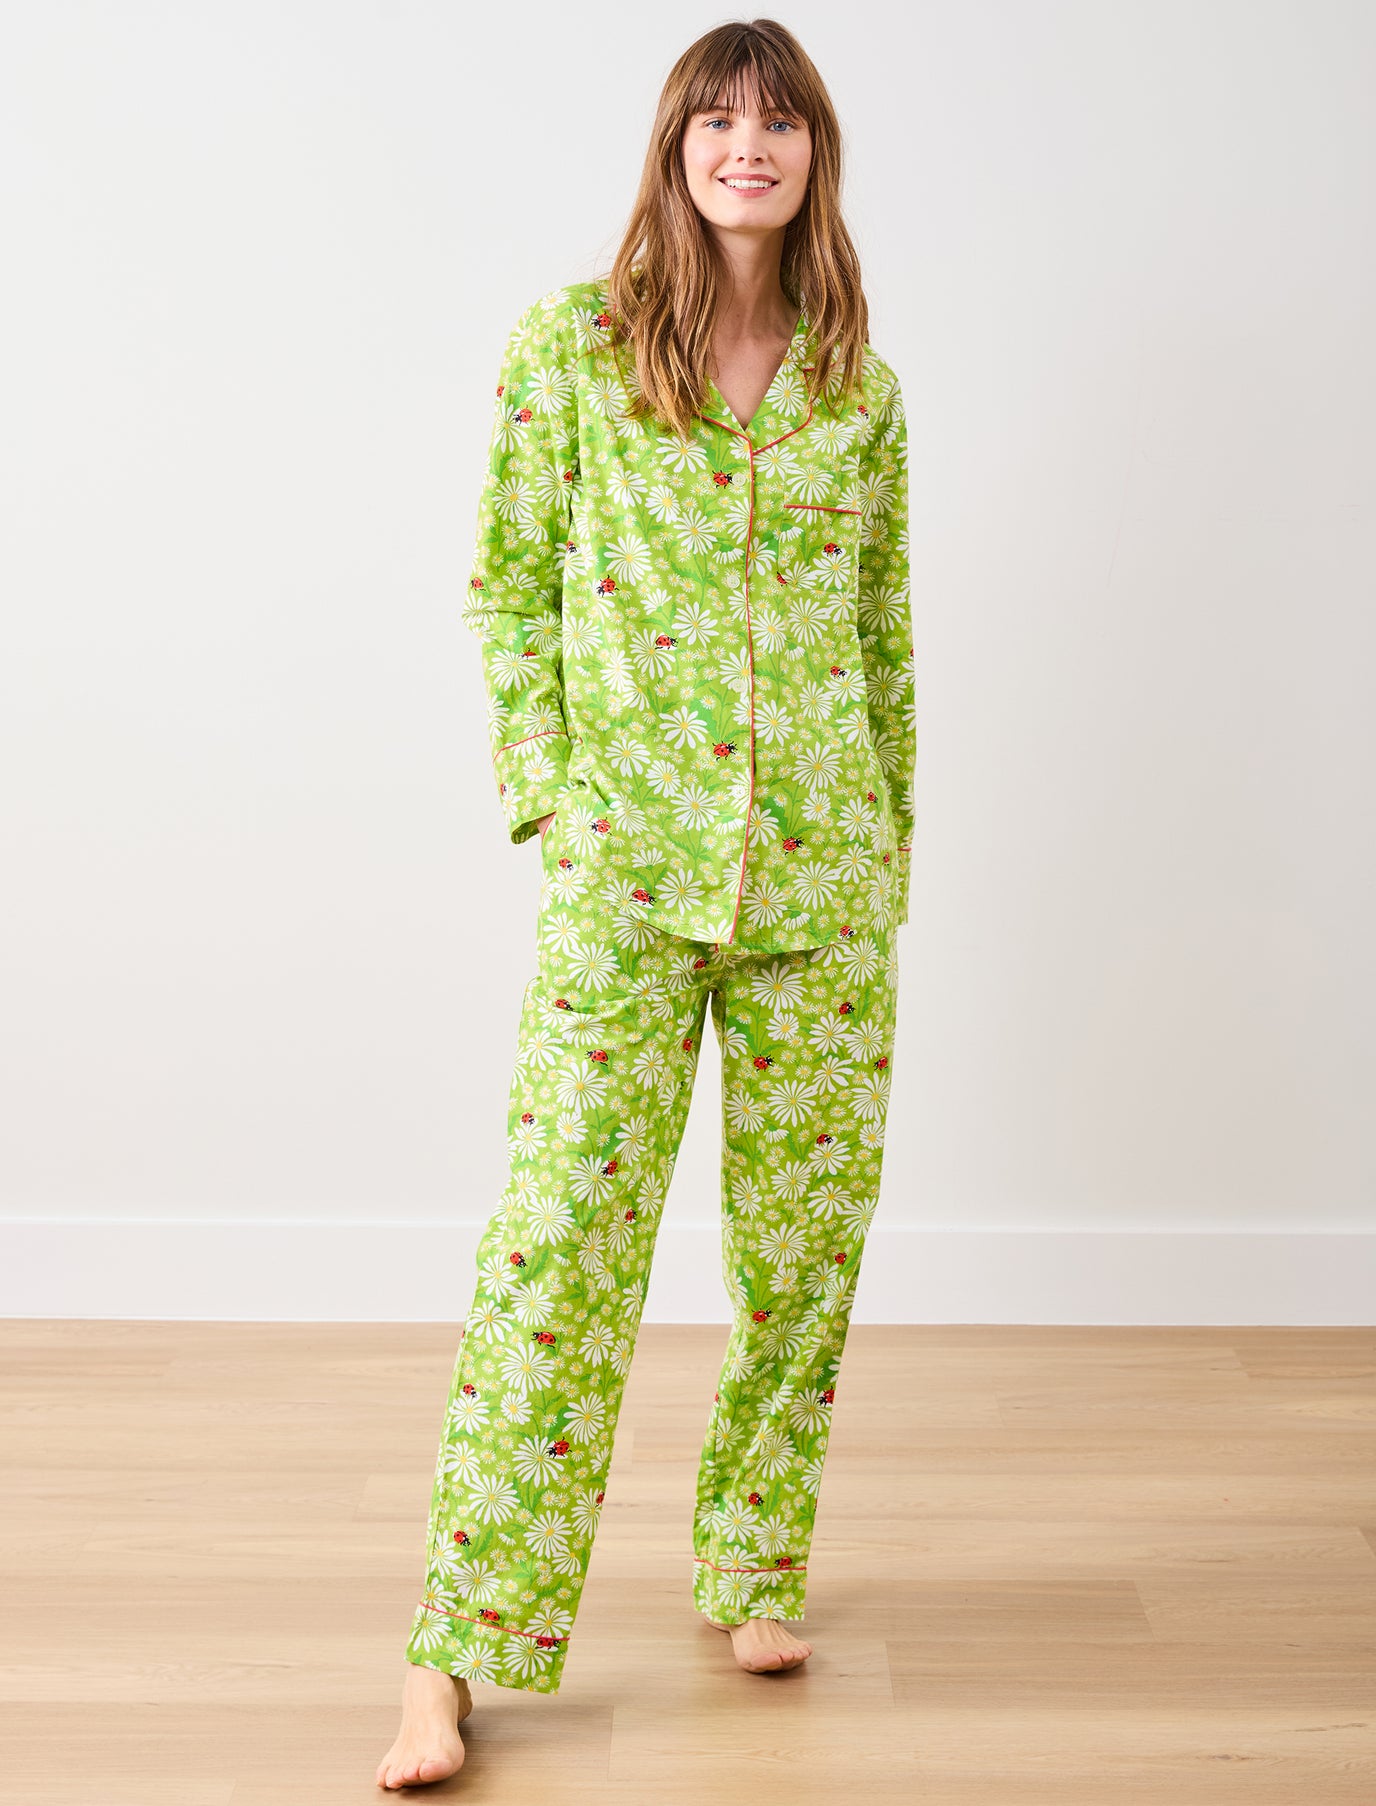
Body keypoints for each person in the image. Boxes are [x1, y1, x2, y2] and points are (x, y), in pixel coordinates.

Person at [376, 16, 914, 1790]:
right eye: (718, 119)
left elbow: (881, 641)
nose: (749, 145)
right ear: (675, 147)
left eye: (780, 121)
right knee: (558, 1250)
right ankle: (452, 1652)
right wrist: (555, 797)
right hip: (625, 870)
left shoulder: (858, 390)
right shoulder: (575, 346)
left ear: (814, 154)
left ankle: (753, 1564)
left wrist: (888, 851)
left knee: (803, 1254)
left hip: (824, 878)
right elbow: (506, 583)